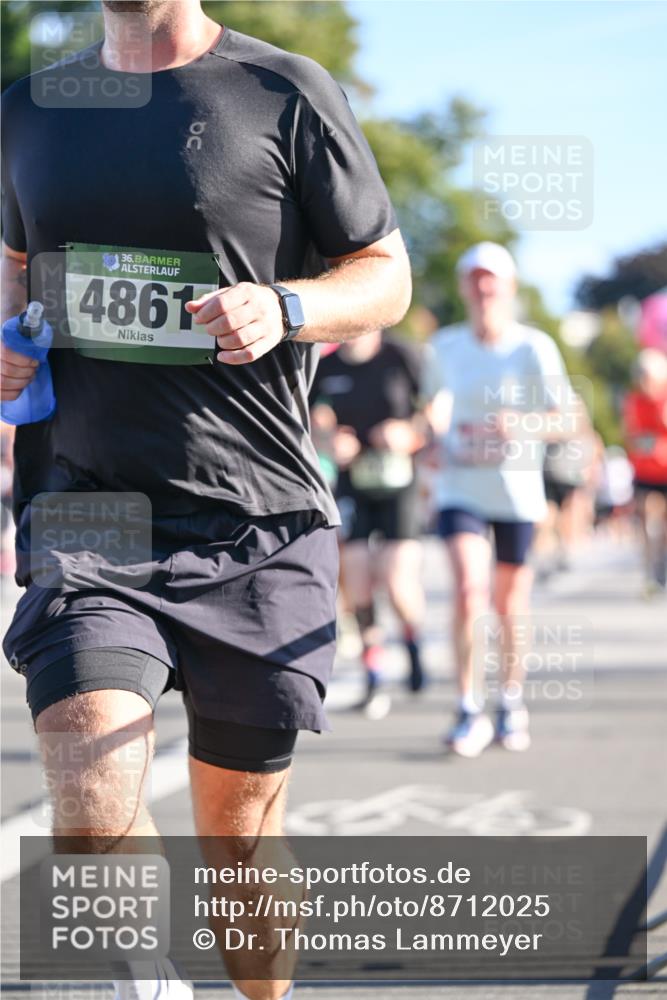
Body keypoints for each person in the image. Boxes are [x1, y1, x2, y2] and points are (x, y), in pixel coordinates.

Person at [0, 3, 411, 1000]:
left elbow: (385, 275)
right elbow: (14, 269)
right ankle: (148, 984)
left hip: (256, 515)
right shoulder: (30, 107)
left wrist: (289, 305)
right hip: (88, 511)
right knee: (89, 789)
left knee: (241, 852)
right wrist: (7, 338)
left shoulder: (283, 91)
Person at [425, 242, 575, 758]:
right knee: (469, 591)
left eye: (493, 280)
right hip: (460, 486)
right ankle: (469, 706)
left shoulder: (534, 347)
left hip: (516, 491)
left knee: (510, 604)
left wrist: (523, 424)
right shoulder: (444, 347)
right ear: (466, 288)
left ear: (508, 287)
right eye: (475, 280)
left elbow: (568, 419)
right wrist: (431, 440)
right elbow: (431, 410)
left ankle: (510, 699)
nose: (484, 289)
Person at [310, 329, 429, 720]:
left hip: (399, 482)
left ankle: (413, 640)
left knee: (396, 579)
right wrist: (330, 442)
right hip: (354, 481)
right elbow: (311, 420)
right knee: (357, 577)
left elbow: (434, 410)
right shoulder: (326, 366)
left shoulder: (401, 355)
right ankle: (373, 674)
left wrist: (409, 434)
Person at [622, 349, 667, 594]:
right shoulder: (635, 401)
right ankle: (651, 569)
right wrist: (649, 443)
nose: (645, 382)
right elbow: (632, 436)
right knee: (648, 518)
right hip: (645, 471)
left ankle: (662, 565)